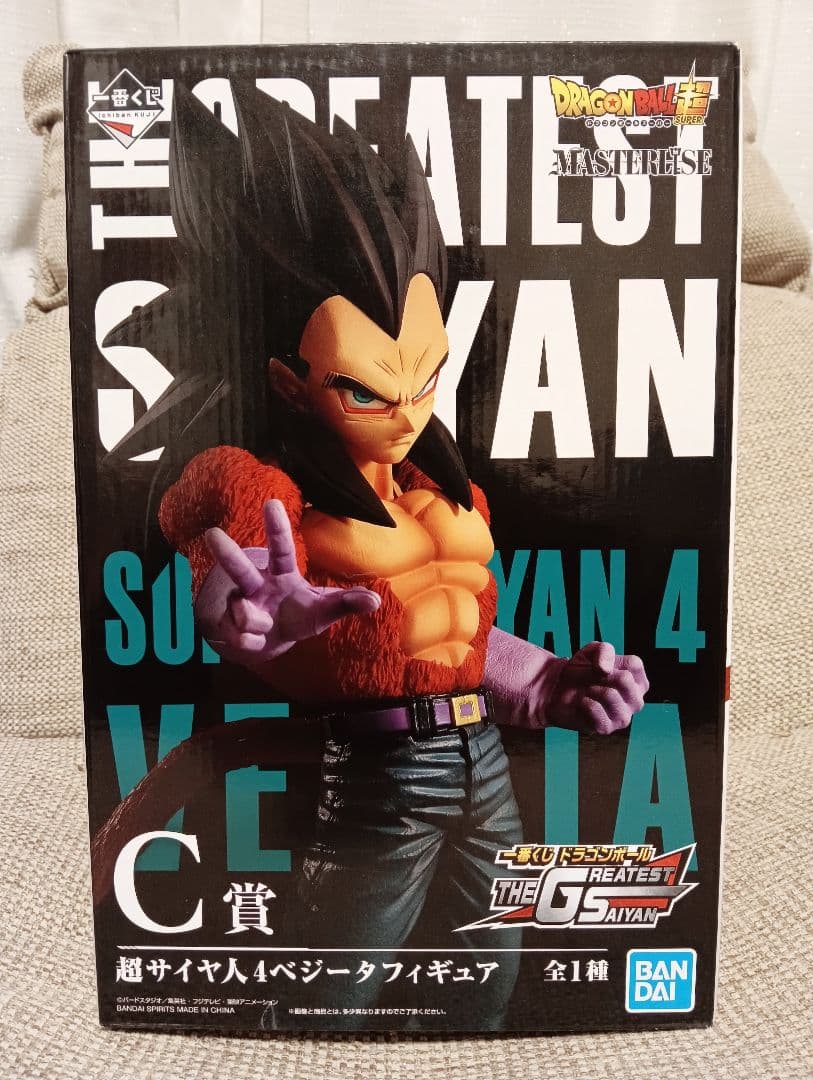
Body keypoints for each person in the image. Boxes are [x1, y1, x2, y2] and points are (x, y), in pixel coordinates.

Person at [101, 81, 648, 1029]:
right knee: (324, 997)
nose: (406, 413)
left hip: (482, 758)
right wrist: (246, 622)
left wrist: (542, 680)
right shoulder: (248, 480)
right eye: (365, 390)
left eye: (424, 377)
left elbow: (435, 624)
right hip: (377, 774)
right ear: (287, 381)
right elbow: (234, 574)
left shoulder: (435, 485)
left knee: (486, 989)